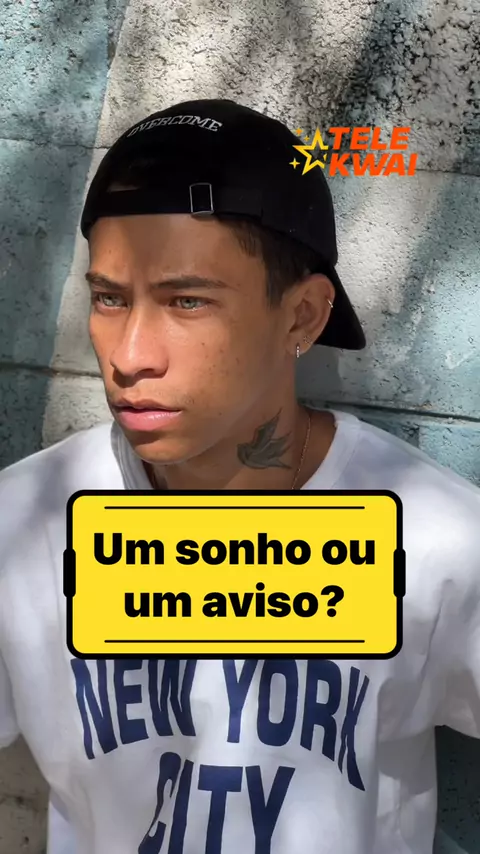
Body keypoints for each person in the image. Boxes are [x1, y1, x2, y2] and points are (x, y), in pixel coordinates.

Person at [0, 98, 479, 854]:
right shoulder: (21, 528)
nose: (129, 355)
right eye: (108, 299)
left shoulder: (438, 541)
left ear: (303, 317)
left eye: (187, 300)